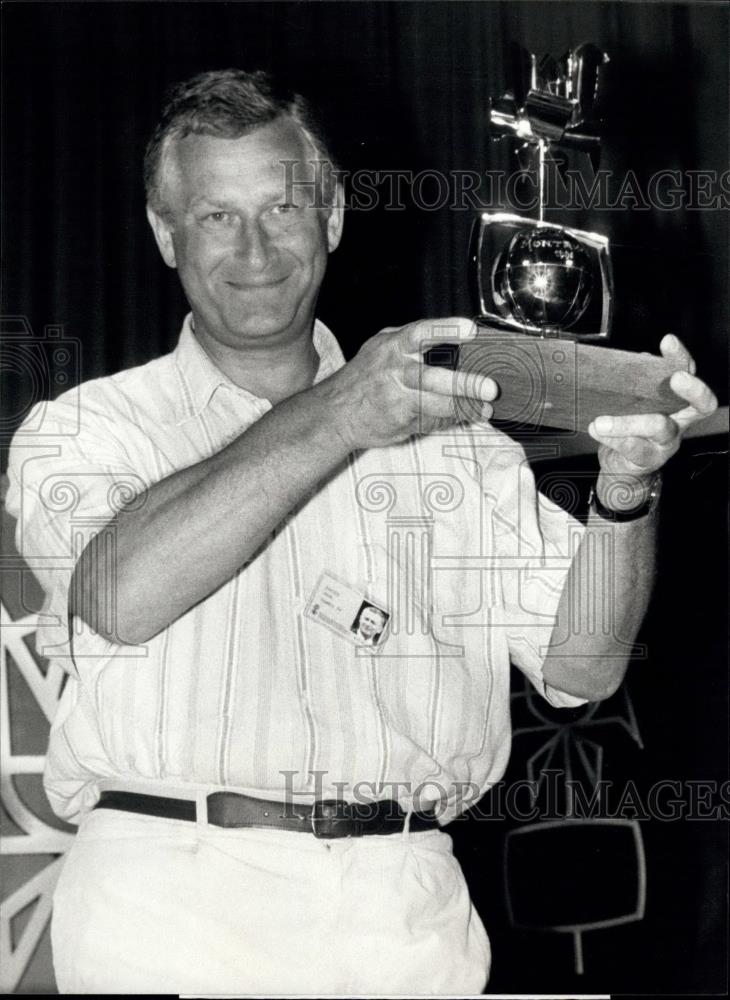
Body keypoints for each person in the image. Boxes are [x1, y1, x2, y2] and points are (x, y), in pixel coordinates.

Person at [5, 69, 717, 995]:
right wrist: (341, 414)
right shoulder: (86, 427)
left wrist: (626, 490)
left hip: (407, 911)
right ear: (163, 232)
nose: (255, 247)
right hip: (173, 896)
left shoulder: (459, 449)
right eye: (217, 215)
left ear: (334, 218)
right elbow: (116, 598)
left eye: (284, 209)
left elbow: (583, 667)